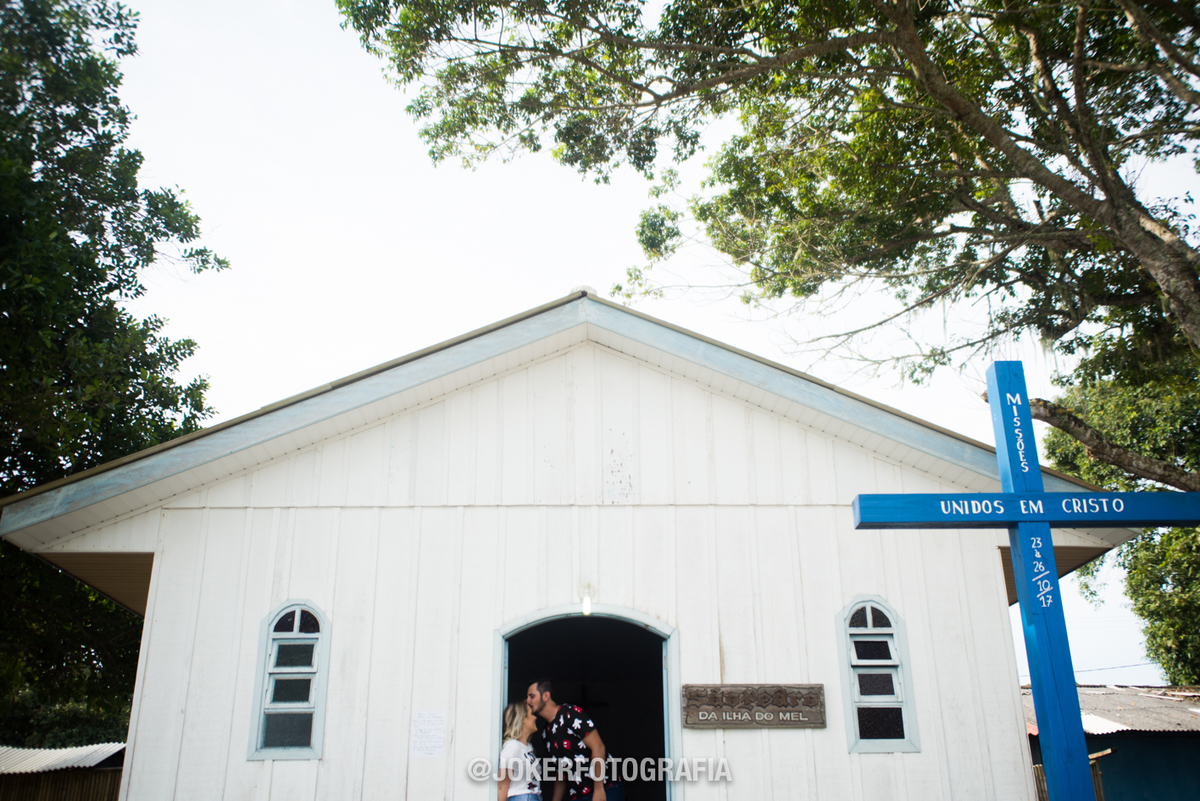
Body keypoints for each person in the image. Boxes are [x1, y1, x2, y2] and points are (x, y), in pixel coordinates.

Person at [526, 678, 624, 801]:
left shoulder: (570, 714)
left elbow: (598, 747)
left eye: (531, 696)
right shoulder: (546, 733)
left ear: (546, 696)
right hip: (578, 796)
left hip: (606, 788)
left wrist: (599, 790)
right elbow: (561, 770)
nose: (528, 701)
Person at [499, 702, 542, 801]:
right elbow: (502, 786)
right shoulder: (513, 746)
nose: (535, 718)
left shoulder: (528, 747)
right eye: (531, 714)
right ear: (522, 719)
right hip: (522, 797)